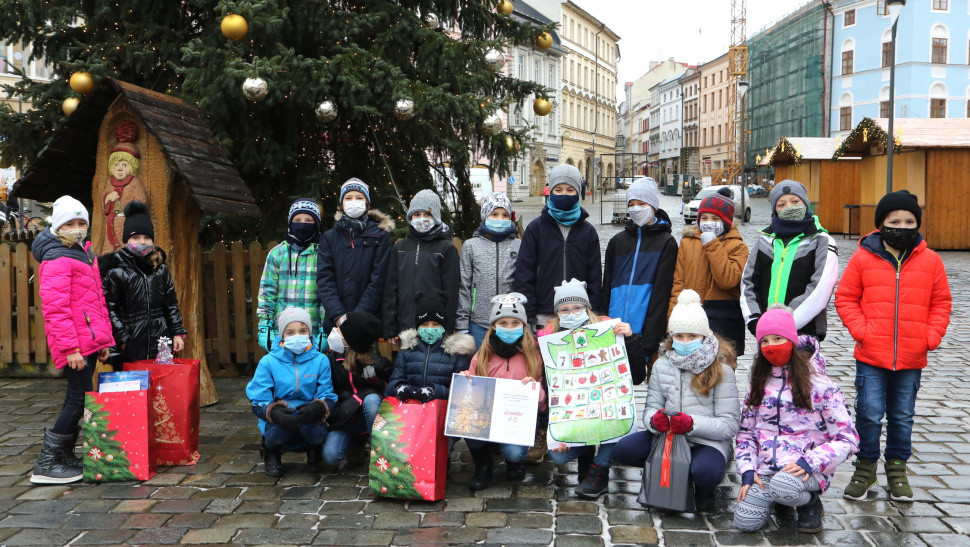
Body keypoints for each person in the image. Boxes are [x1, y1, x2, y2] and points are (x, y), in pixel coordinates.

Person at [835, 190, 951, 502]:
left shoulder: (931, 261)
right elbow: (845, 297)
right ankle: (865, 467)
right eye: (895, 220)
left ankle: (897, 469)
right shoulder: (863, 257)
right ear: (882, 223)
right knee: (869, 413)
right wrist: (862, 331)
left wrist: (931, 337)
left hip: (912, 357)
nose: (902, 225)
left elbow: (941, 303)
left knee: (902, 415)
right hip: (871, 354)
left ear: (918, 224)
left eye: (909, 220)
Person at [734, 306, 858, 534]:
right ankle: (779, 498)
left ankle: (810, 502)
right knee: (745, 522)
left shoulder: (821, 385)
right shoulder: (758, 382)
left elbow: (847, 438)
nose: (771, 346)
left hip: (806, 468)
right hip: (766, 468)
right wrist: (748, 471)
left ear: (791, 341)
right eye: (765, 341)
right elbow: (746, 433)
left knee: (785, 486)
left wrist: (809, 462)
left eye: (778, 338)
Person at [613, 290, 740, 512]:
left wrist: (692, 423)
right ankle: (673, 472)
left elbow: (729, 424)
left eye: (692, 336)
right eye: (679, 336)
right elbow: (652, 407)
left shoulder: (722, 370)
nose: (685, 341)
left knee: (706, 472)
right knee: (624, 449)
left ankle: (702, 484)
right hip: (669, 437)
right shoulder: (662, 364)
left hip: (705, 440)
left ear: (704, 336)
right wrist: (655, 421)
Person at [30, 196, 115, 484]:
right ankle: (47, 462)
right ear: (57, 226)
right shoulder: (58, 258)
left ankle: (63, 455)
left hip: (87, 342)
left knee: (78, 398)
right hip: (74, 345)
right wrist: (70, 349)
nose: (77, 228)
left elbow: (96, 302)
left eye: (81, 223)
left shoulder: (84, 255)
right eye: (70, 223)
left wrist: (103, 341)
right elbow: (56, 309)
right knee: (77, 401)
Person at [542, 279, 647, 498]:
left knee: (619, 422)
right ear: (557, 313)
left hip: (608, 405)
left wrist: (631, 340)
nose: (571, 312)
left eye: (577, 307)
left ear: (587, 308)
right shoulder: (551, 340)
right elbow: (552, 389)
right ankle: (587, 454)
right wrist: (557, 429)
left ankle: (599, 470)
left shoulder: (609, 331)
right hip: (577, 410)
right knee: (558, 456)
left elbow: (637, 377)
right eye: (564, 309)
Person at [460, 294, 546, 490]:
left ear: (524, 326)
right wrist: (466, 379)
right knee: (466, 424)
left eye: (515, 323)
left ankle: (514, 462)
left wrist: (535, 390)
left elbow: (542, 404)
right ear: (493, 326)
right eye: (503, 323)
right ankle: (483, 466)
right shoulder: (483, 354)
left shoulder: (534, 356)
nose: (509, 327)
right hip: (486, 417)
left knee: (514, 452)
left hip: (515, 421)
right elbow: (469, 388)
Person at [741, 180, 839, 341]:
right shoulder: (765, 241)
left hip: (805, 329)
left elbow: (821, 286)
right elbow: (748, 282)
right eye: (781, 204)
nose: (789, 207)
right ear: (775, 210)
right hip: (768, 331)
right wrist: (754, 318)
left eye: (795, 201)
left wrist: (787, 322)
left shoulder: (822, 240)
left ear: (805, 204)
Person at [246, 308, 337, 477]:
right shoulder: (268, 362)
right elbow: (258, 396)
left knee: (316, 432)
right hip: (282, 414)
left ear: (310, 332)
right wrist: (274, 411)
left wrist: (318, 408)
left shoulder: (321, 360)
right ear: (282, 335)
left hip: (307, 414)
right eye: (290, 332)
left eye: (303, 331)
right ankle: (271, 451)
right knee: (276, 433)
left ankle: (314, 450)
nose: (297, 336)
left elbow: (326, 392)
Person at [100, 201, 187, 365]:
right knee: (134, 387)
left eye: (147, 237)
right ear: (127, 240)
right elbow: (110, 308)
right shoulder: (116, 271)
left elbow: (171, 304)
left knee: (160, 385)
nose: (142, 241)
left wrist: (176, 332)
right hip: (131, 343)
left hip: (161, 339)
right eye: (136, 237)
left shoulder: (160, 269)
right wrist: (123, 338)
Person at [515, 165, 601, 331]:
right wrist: (528, 311)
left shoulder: (588, 231)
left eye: (570, 190)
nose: (564, 194)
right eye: (558, 189)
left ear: (578, 192)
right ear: (550, 191)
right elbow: (524, 273)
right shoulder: (536, 228)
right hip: (544, 313)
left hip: (578, 313)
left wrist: (593, 310)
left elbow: (595, 276)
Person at [601, 178, 677, 364]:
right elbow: (607, 285)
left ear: (653, 206)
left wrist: (650, 338)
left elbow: (662, 292)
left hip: (646, 330)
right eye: (631, 204)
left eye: (641, 203)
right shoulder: (617, 242)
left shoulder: (666, 242)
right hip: (614, 329)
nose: (636, 208)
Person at [669, 187, 749, 354]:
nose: (708, 222)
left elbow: (727, 280)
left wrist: (712, 244)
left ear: (726, 221)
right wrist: (672, 319)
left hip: (723, 322)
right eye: (704, 218)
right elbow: (678, 283)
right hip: (690, 321)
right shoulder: (688, 243)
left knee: (722, 373)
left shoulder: (738, 246)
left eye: (715, 218)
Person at [317, 178, 394, 333]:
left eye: (359, 198)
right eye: (348, 198)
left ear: (367, 203)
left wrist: (357, 317)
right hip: (336, 323)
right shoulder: (329, 237)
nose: (354, 202)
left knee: (368, 358)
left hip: (368, 321)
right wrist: (339, 316)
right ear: (341, 204)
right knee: (338, 358)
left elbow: (379, 278)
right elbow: (325, 279)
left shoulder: (381, 236)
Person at [383, 190, 460, 341]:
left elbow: (451, 292)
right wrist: (390, 327)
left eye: (427, 214)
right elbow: (391, 290)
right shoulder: (400, 248)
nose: (422, 219)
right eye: (417, 214)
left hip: (435, 328)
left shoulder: (446, 249)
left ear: (436, 217)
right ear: (410, 217)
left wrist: (448, 328)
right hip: (404, 329)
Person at [322, 312, 393, 469]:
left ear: (352, 339)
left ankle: (378, 449)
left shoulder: (375, 362)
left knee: (372, 400)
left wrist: (377, 385)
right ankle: (356, 443)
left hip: (368, 418)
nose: (335, 331)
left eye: (340, 330)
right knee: (330, 456)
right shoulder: (330, 360)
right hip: (345, 419)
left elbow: (394, 384)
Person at [257, 198, 326, 351]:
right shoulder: (277, 254)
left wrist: (325, 327)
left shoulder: (322, 254)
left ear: (316, 224)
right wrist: (264, 324)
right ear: (290, 222)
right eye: (298, 219)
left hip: (311, 331)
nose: (302, 224)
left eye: (309, 220)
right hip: (282, 331)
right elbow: (267, 292)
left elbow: (327, 294)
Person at [385, 291, 475, 402]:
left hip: (440, 412)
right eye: (424, 324)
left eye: (436, 324)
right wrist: (399, 387)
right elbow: (391, 386)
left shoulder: (457, 352)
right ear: (417, 326)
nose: (430, 329)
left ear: (443, 326)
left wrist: (436, 391)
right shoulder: (407, 350)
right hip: (409, 410)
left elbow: (461, 392)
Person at [457, 192, 521, 347]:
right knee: (480, 366)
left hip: (510, 322)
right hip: (479, 323)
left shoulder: (518, 246)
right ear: (485, 216)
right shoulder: (471, 246)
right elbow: (464, 286)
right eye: (494, 214)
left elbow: (524, 282)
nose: (500, 219)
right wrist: (461, 325)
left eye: (504, 215)